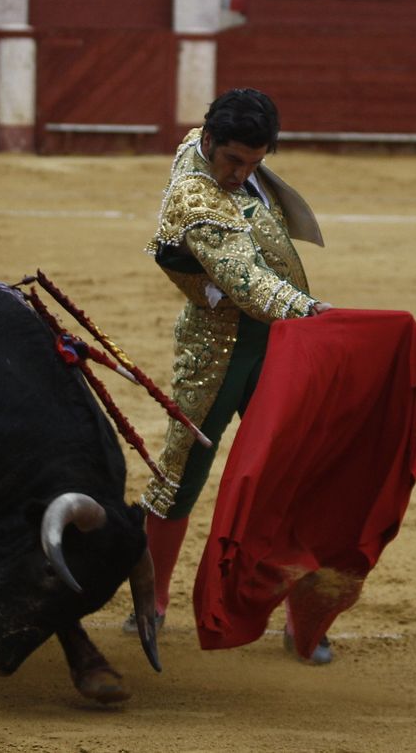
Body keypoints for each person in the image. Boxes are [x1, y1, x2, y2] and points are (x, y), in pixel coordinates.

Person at [136, 88, 335, 663]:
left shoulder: (210, 150)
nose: (240, 174)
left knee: (294, 469)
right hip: (218, 346)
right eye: (232, 162)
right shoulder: (196, 201)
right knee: (182, 469)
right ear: (207, 142)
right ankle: (150, 600)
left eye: (254, 164)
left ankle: (302, 612)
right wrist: (313, 314)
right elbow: (245, 282)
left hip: (272, 342)